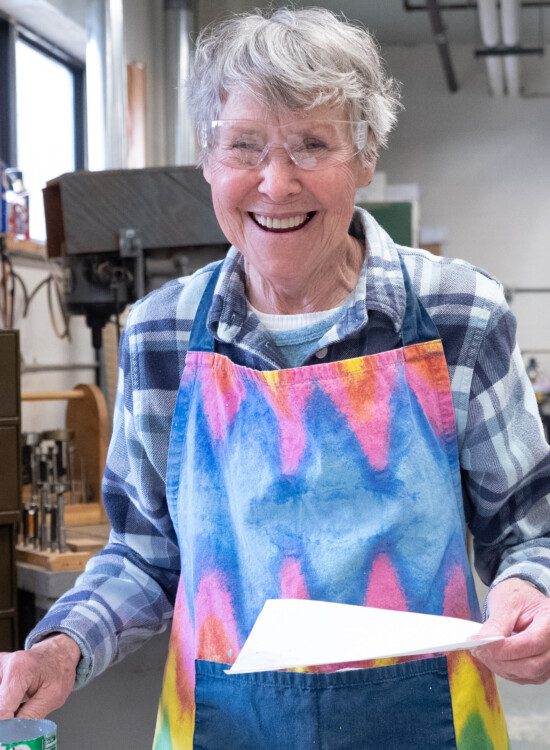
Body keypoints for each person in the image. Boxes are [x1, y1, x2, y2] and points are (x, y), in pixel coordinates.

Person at [1, 7, 549, 748]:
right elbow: (144, 551)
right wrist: (59, 648)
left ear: (365, 154)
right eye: (245, 147)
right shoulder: (161, 334)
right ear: (208, 158)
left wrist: (529, 589)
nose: (275, 182)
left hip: (431, 725)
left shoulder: (459, 314)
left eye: (311, 145)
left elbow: (528, 521)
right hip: (219, 728)